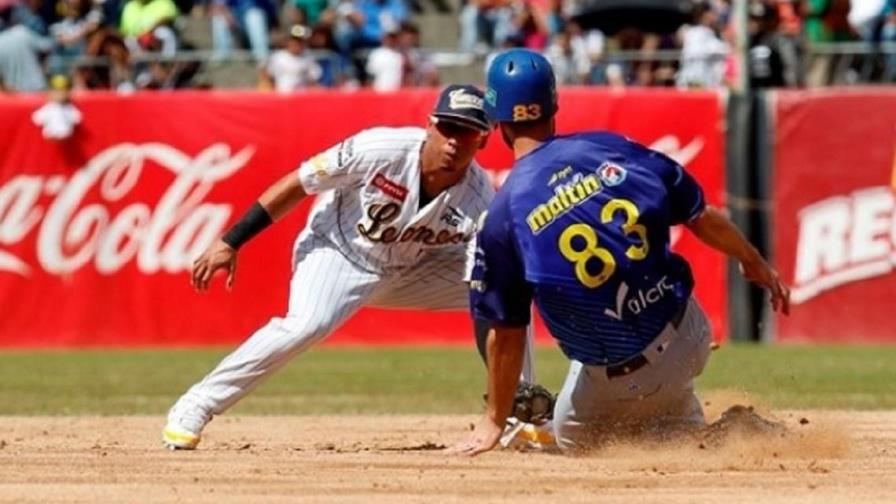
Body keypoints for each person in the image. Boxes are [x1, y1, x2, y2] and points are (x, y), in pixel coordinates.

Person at [162, 84, 539, 450]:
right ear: (430, 124)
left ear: (485, 139)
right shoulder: (379, 149)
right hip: (339, 252)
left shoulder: (479, 198)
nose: (455, 139)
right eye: (448, 126)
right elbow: (300, 183)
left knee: (505, 290)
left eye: (468, 131)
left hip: (411, 267)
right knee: (306, 325)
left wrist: (494, 298)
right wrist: (231, 241)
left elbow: (486, 289)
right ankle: (198, 404)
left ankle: (517, 412)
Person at [453, 49, 791, 455]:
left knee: (574, 441)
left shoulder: (504, 212)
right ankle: (704, 429)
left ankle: (714, 432)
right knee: (667, 416)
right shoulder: (608, 147)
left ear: (496, 121)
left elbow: (506, 335)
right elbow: (700, 215)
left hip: (620, 378)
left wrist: (493, 420)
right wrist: (752, 260)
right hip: (691, 334)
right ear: (553, 105)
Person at [259, 24, 322, 92]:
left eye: (300, 41)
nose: (297, 43)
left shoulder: (308, 57)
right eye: (294, 40)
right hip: (281, 96)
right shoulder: (278, 57)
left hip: (302, 97)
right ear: (288, 41)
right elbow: (267, 76)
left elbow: (313, 80)